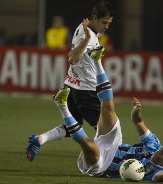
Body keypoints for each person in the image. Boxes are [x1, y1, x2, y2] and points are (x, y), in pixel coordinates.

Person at [28, 42, 163, 181]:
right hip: (114, 144)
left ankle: (62, 105)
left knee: (89, 145)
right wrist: (136, 112)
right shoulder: (154, 144)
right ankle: (97, 61)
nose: (160, 157)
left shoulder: (157, 173)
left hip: (100, 167)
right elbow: (138, 122)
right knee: (108, 108)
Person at [26, 0, 114, 161]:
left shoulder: (83, 27)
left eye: (109, 23)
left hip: (72, 84)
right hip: (85, 91)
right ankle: (107, 162)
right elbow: (72, 59)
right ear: (94, 18)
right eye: (104, 22)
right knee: (106, 130)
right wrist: (88, 39)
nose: (107, 26)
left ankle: (40, 139)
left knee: (74, 126)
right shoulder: (87, 35)